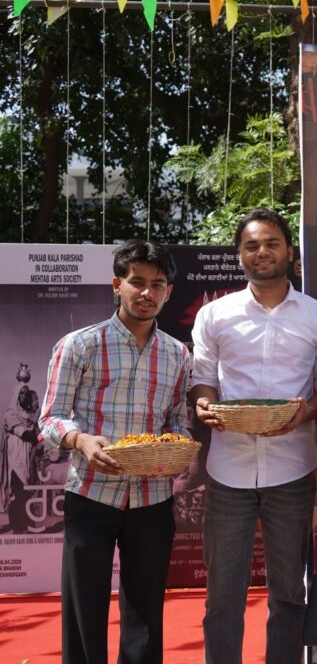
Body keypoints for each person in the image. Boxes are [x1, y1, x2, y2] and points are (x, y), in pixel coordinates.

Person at [191, 209, 317, 664]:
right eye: (252, 245)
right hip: (228, 471)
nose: (262, 252)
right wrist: (204, 404)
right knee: (223, 595)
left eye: (272, 243)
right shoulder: (214, 314)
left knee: (289, 593)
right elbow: (203, 378)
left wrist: (306, 412)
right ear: (240, 255)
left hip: (291, 470)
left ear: (289, 251)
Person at [39, 239, 190, 664]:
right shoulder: (79, 345)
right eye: (136, 282)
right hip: (91, 492)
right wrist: (81, 440)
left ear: (168, 292)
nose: (146, 292)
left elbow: (176, 422)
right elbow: (50, 418)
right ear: (116, 285)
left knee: (146, 610)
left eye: (156, 285)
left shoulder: (178, 354)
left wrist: (178, 450)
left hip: (152, 497)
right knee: (83, 605)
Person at [2, 378, 41, 534]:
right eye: (22, 393)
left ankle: (26, 525)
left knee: (26, 492)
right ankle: (18, 527)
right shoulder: (11, 414)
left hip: (27, 459)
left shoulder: (28, 416)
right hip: (15, 458)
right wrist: (38, 433)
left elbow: (35, 435)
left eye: (26, 393)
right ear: (17, 395)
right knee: (17, 492)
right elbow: (27, 435)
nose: (25, 396)